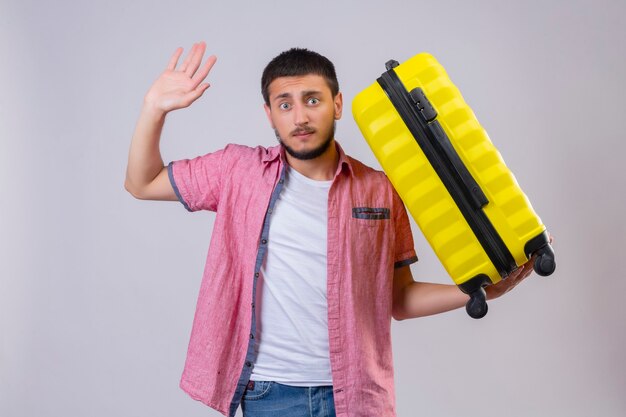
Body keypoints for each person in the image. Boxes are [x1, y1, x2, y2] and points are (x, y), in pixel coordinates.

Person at [124, 41, 536, 417]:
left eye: (312, 100)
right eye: (284, 105)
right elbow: (142, 183)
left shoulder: (379, 189)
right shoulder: (237, 170)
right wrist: (153, 108)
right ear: (268, 114)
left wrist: (476, 291)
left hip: (355, 396)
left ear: (337, 104)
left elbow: (399, 298)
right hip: (271, 394)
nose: (300, 117)